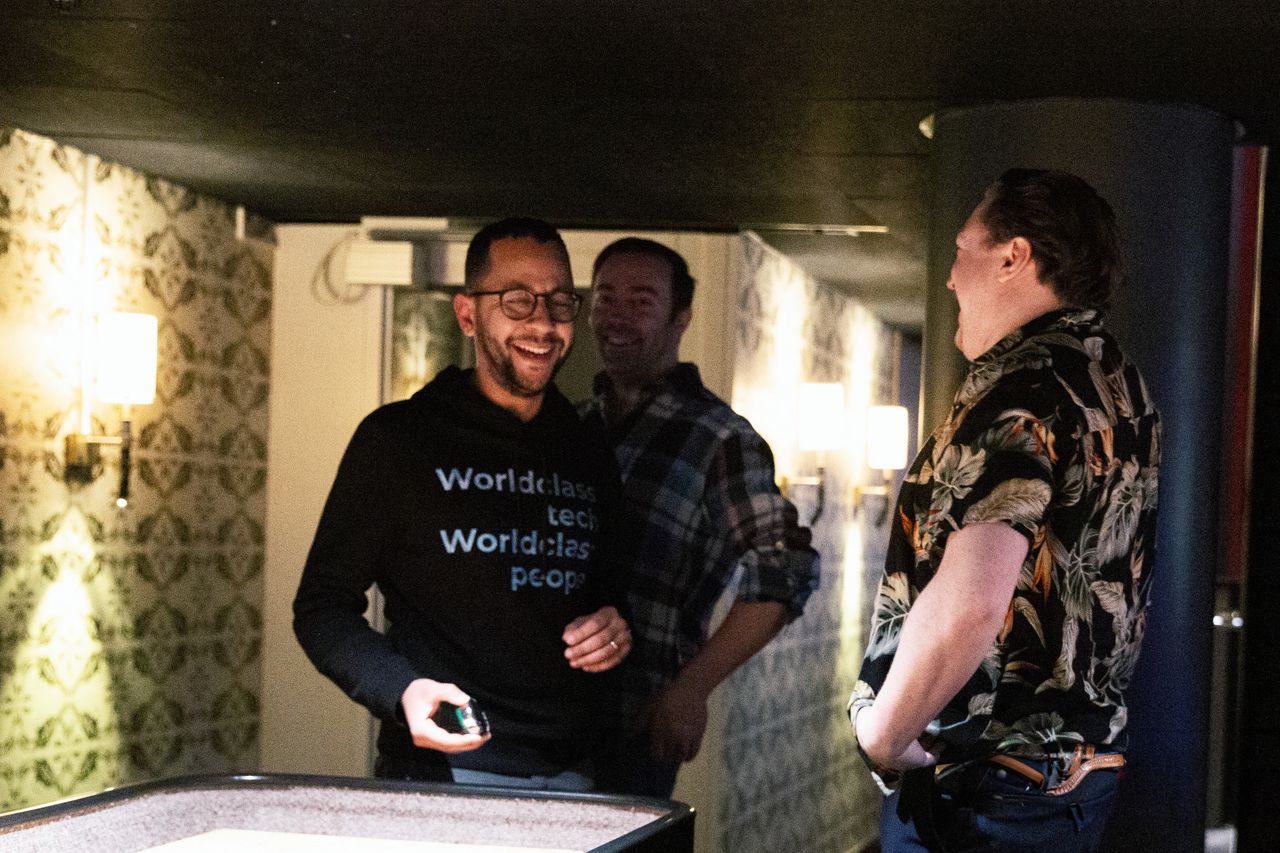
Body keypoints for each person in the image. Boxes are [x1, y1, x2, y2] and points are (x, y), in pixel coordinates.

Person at [849, 169, 1161, 851]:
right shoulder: (1117, 382)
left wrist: (883, 734)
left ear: (1013, 256)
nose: (952, 278)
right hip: (1081, 775)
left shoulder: (1018, 389)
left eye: (963, 251)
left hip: (988, 791)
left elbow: (970, 600)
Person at [293, 217, 632, 791]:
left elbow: (610, 597)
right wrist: (403, 690)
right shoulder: (399, 439)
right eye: (517, 301)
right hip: (444, 771)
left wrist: (614, 629)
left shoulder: (587, 446)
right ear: (468, 315)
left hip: (576, 772)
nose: (544, 324)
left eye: (559, 302)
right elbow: (322, 609)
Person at [584, 237, 819, 798]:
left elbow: (786, 570)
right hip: (541, 721)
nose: (617, 316)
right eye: (604, 298)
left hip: (635, 727)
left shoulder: (718, 438)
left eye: (641, 301)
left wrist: (692, 689)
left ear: (681, 317)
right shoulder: (571, 426)